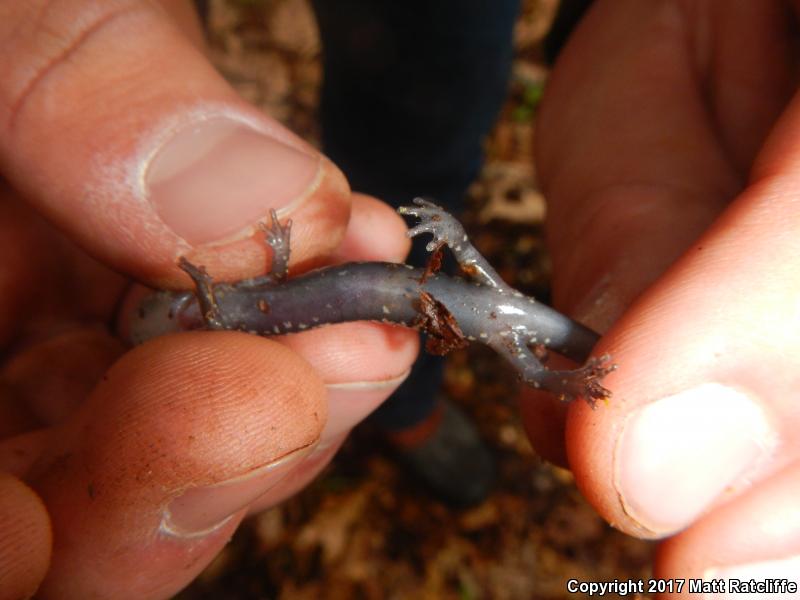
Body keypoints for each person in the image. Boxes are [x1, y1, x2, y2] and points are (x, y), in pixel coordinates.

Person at [0, 1, 798, 598]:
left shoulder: (229, 303)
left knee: (495, 300)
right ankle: (427, 409)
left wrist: (561, 372)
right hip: (427, 299)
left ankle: (478, 394)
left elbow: (263, 280)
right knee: (445, 311)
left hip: (446, 301)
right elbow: (274, 294)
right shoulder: (239, 320)